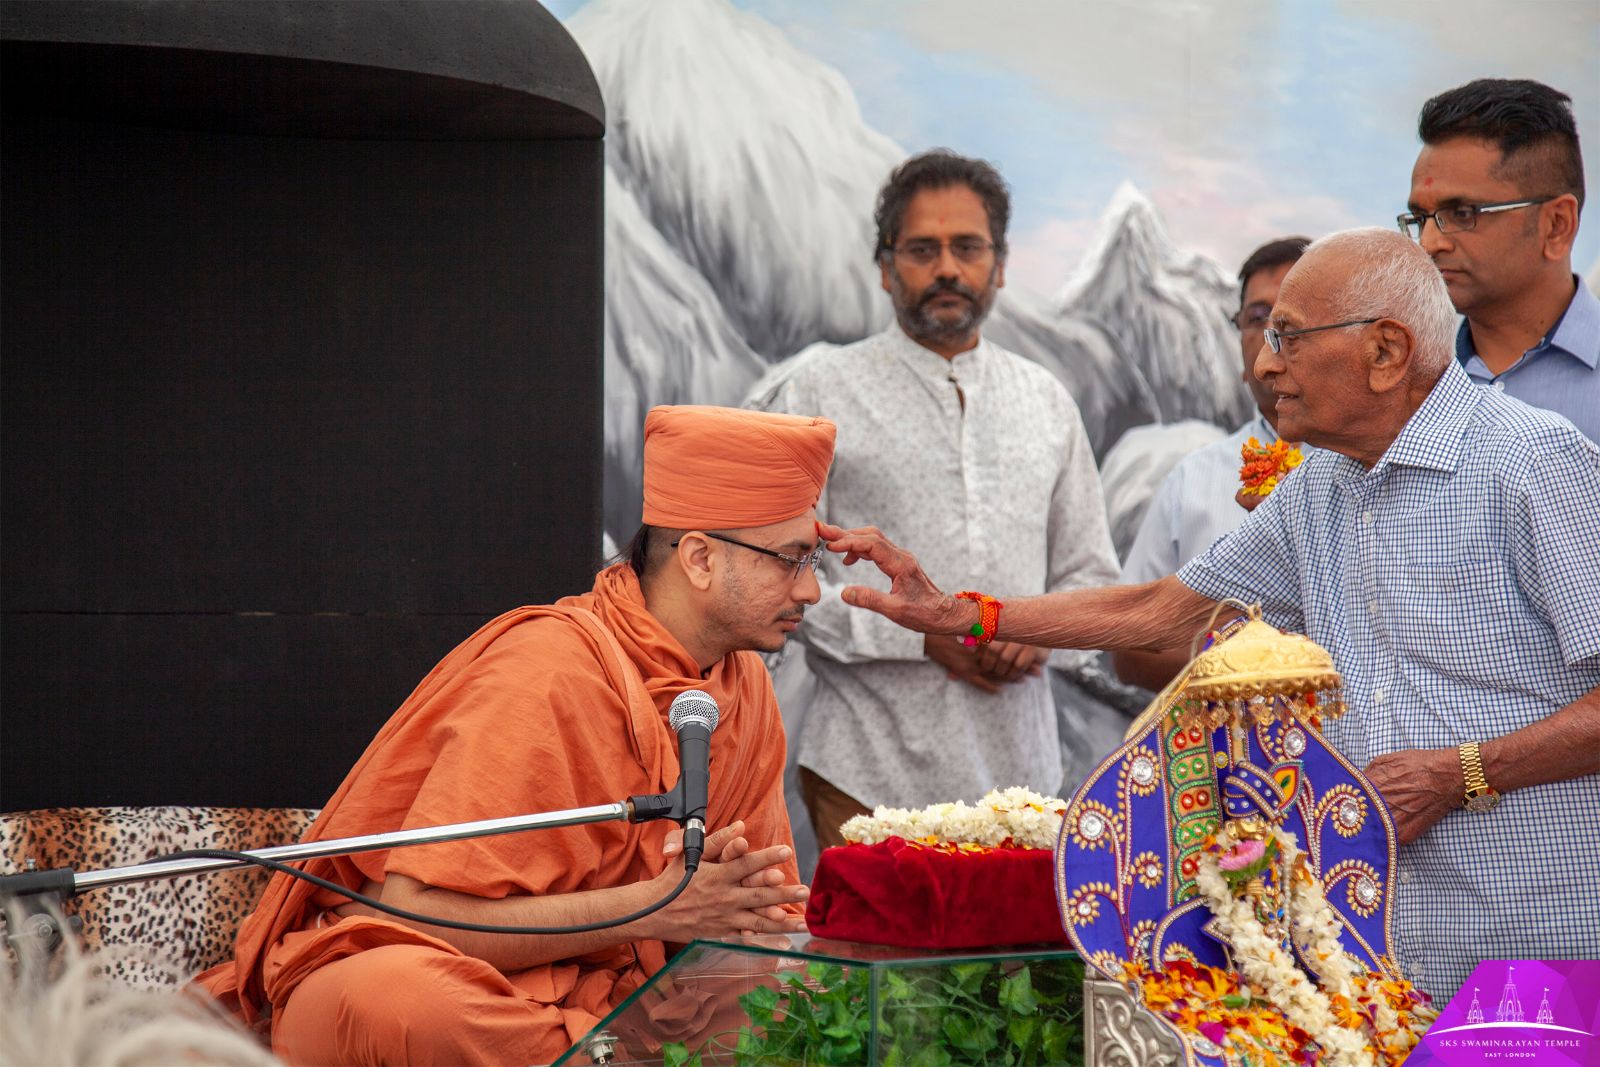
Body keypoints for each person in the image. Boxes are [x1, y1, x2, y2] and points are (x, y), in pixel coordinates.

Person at [820, 228, 1600, 1004]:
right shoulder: (1323, 484)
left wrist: (1459, 773)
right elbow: (1163, 610)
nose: (1264, 364)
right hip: (1380, 951)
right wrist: (968, 612)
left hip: (1534, 945)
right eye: (1263, 335)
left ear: (1387, 351)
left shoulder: (1530, 464)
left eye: (1289, 338)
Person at [197, 405, 830, 1066]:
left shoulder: (743, 686)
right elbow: (415, 915)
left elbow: (750, 912)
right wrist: (658, 907)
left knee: (802, 997)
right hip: (449, 976)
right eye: (790, 560)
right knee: (403, 1003)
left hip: (611, 995)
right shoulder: (551, 671)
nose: (811, 589)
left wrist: (737, 917)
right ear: (699, 558)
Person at [747, 149, 1119, 847]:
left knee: (1019, 961)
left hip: (1024, 791)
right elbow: (775, 571)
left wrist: (1028, 630)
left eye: (967, 247)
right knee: (879, 959)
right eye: (923, 249)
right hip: (866, 774)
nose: (947, 268)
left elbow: (1091, 574)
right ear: (887, 268)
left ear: (1000, 264)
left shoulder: (1045, 401)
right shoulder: (821, 392)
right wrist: (923, 635)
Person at [1115, 236, 1311, 690]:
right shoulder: (1193, 479)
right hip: (1227, 756)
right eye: (1257, 318)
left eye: (1293, 319)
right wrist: (1236, 664)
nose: (1273, 336)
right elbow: (1130, 652)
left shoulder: (1381, 464)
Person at [1403, 77, 1597, 441]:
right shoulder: (1400, 387)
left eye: (1462, 213)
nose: (1428, 244)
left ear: (1556, 225)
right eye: (1419, 219)